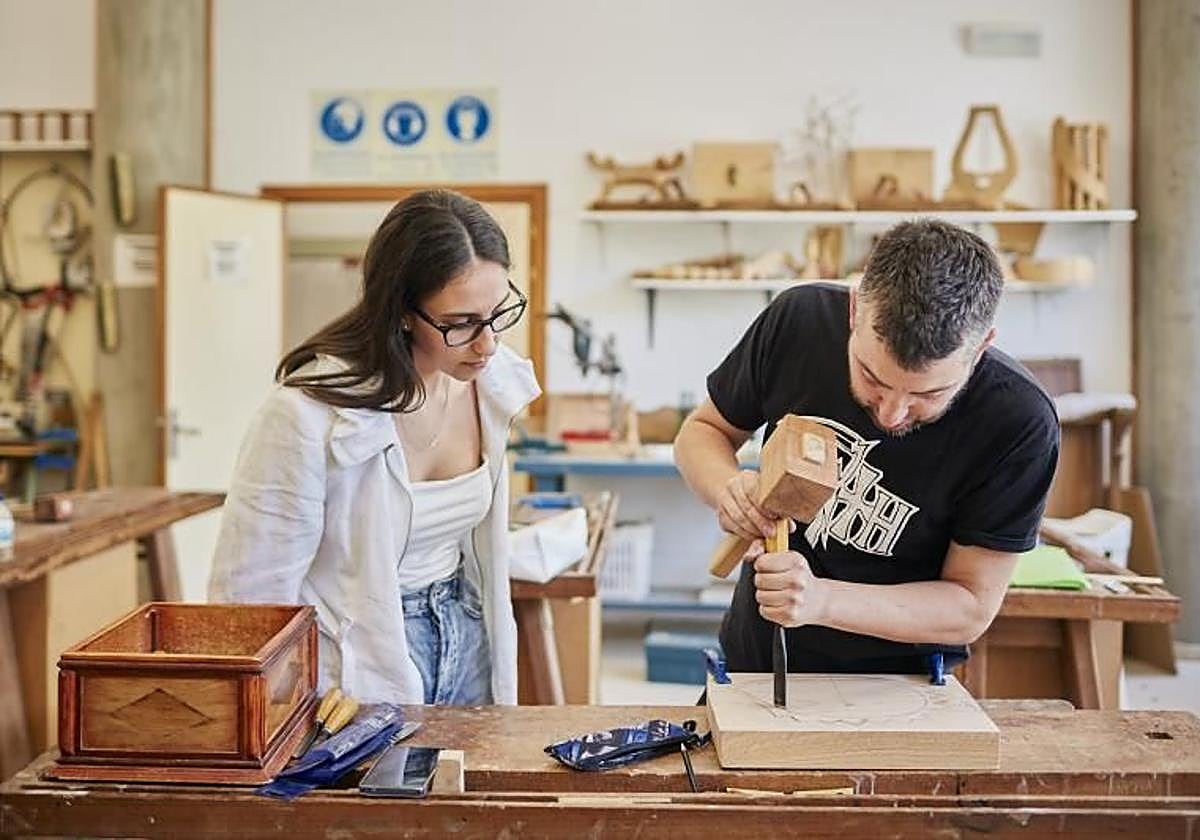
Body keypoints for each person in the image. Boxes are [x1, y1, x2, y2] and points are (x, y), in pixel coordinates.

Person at [674, 219, 1059, 675]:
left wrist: (823, 600)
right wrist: (727, 490)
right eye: (873, 379)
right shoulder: (799, 321)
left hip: (901, 683)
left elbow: (970, 605)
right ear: (855, 310)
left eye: (927, 395)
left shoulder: (1018, 422)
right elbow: (702, 432)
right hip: (755, 664)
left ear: (980, 350)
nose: (891, 414)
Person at [208, 189, 539, 705]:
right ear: (403, 311)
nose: (488, 344)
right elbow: (251, 597)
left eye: (497, 313)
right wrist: (286, 703)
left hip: (465, 631)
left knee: (466, 783)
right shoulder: (306, 415)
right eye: (460, 324)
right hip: (352, 665)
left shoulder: (488, 382)